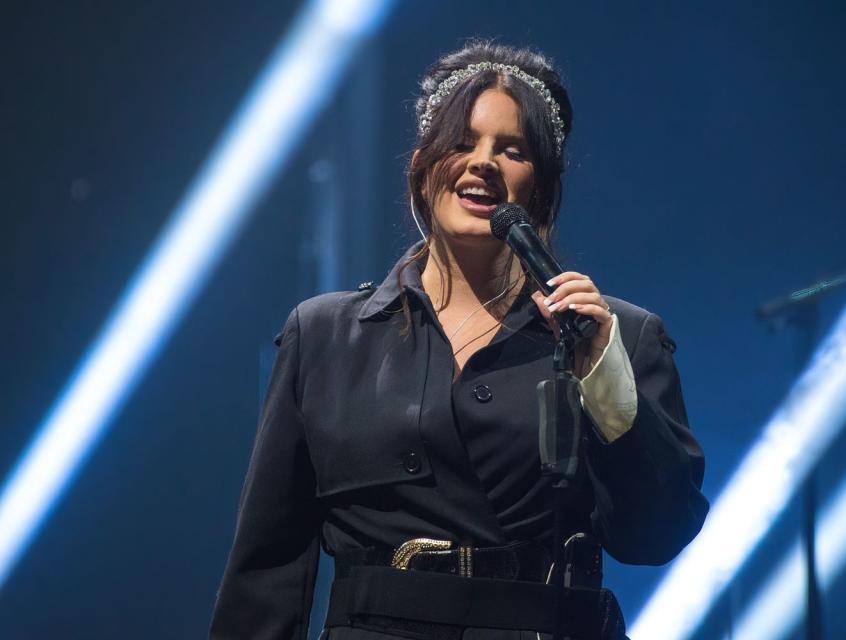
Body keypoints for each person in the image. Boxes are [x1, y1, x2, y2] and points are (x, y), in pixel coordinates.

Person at [209, 41, 708, 640]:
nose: (483, 163)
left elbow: (655, 536)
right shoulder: (324, 336)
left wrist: (602, 374)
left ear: (542, 186)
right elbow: (267, 569)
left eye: (512, 150)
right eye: (462, 143)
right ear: (422, 168)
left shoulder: (617, 335)